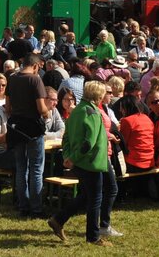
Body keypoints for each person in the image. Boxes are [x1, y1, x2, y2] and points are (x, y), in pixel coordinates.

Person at [48, 80, 113, 247]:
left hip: (80, 162)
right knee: (95, 200)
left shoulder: (76, 111)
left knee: (85, 196)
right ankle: (93, 237)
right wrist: (73, 157)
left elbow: (66, 137)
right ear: (98, 95)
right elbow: (88, 143)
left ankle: (58, 219)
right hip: (91, 162)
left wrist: (69, 156)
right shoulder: (92, 112)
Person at [7, 54, 50, 217]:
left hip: (16, 127)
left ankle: (23, 206)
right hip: (33, 127)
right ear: (36, 66)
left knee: (21, 167)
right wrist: (47, 112)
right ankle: (36, 208)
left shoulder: (12, 78)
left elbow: (8, 107)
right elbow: (40, 108)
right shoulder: (35, 79)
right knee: (36, 169)